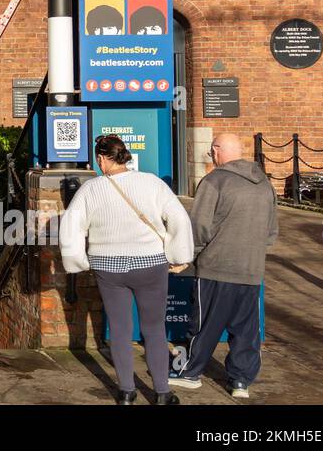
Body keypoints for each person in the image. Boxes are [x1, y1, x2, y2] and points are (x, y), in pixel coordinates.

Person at [60, 134, 195, 405]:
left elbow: (71, 226)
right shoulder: (151, 183)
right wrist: (180, 254)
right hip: (150, 264)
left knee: (120, 329)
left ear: (101, 158)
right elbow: (179, 217)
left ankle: (125, 391)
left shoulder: (90, 190)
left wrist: (77, 261)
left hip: (108, 266)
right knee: (154, 328)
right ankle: (162, 393)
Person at [169, 132, 278, 399]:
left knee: (205, 324)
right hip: (251, 269)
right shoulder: (265, 184)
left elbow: (199, 228)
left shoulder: (214, 181)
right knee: (246, 330)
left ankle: (192, 373)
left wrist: (187, 257)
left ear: (217, 151)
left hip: (216, 268)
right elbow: (271, 232)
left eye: (211, 152)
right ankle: (241, 382)